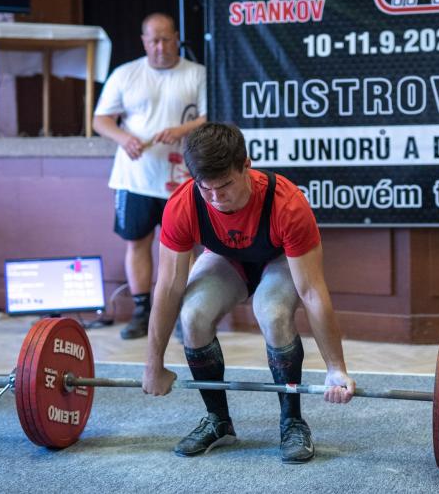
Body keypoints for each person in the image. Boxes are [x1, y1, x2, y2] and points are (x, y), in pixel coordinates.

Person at [142, 122, 356, 464]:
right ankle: (218, 421)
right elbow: (168, 288)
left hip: (278, 260)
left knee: (272, 312)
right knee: (192, 315)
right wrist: (154, 364)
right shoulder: (183, 204)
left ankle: (292, 421)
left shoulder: (287, 204)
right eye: (206, 188)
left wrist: (336, 368)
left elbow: (312, 292)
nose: (216, 198)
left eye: (225, 185)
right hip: (226, 260)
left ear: (246, 165)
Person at [93, 12, 206, 340]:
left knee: (187, 247)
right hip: (135, 178)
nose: (160, 46)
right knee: (137, 243)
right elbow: (101, 119)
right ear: (144, 41)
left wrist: (181, 130)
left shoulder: (197, 74)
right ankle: (142, 312)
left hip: (182, 178)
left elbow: (209, 116)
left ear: (176, 38)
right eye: (153, 40)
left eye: (166, 39)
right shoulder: (125, 74)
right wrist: (123, 138)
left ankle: (187, 313)